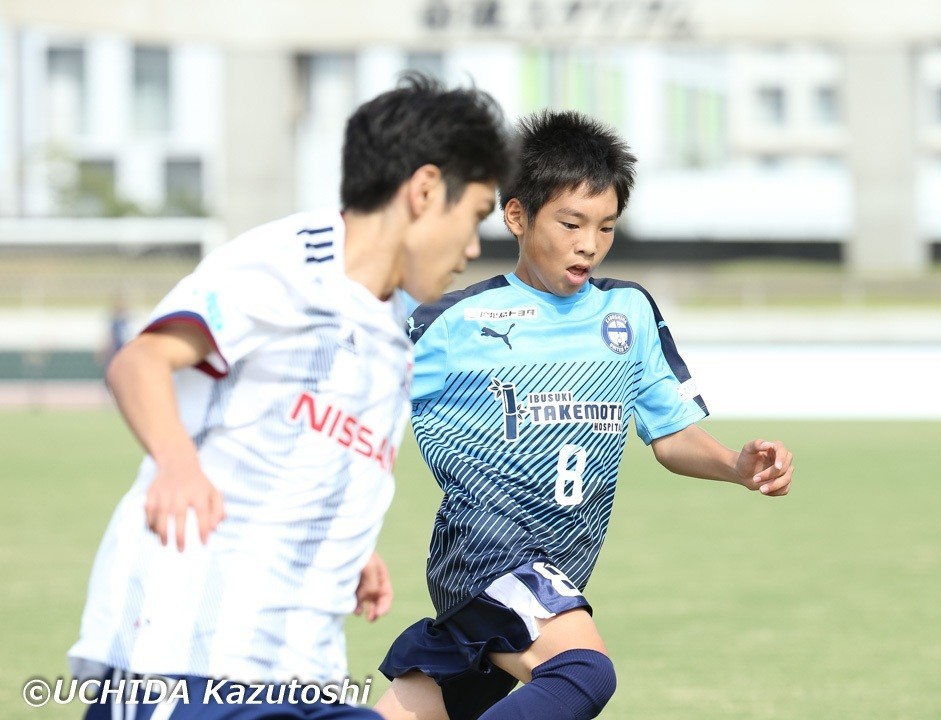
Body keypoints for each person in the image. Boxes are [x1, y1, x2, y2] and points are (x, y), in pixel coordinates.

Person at [68, 74, 513, 719]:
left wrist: (346, 545)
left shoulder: (395, 330)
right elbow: (140, 361)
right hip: (188, 660)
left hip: (305, 674)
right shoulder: (285, 264)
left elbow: (308, 442)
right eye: (472, 217)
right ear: (423, 191)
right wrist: (177, 464)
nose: (473, 248)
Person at [374, 110, 794, 720]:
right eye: (571, 223)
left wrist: (735, 464)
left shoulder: (629, 313)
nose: (589, 243)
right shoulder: (451, 322)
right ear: (516, 216)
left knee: (433, 708)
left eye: (606, 227)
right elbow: (358, 404)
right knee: (581, 672)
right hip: (486, 553)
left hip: (559, 570)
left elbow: (670, 433)